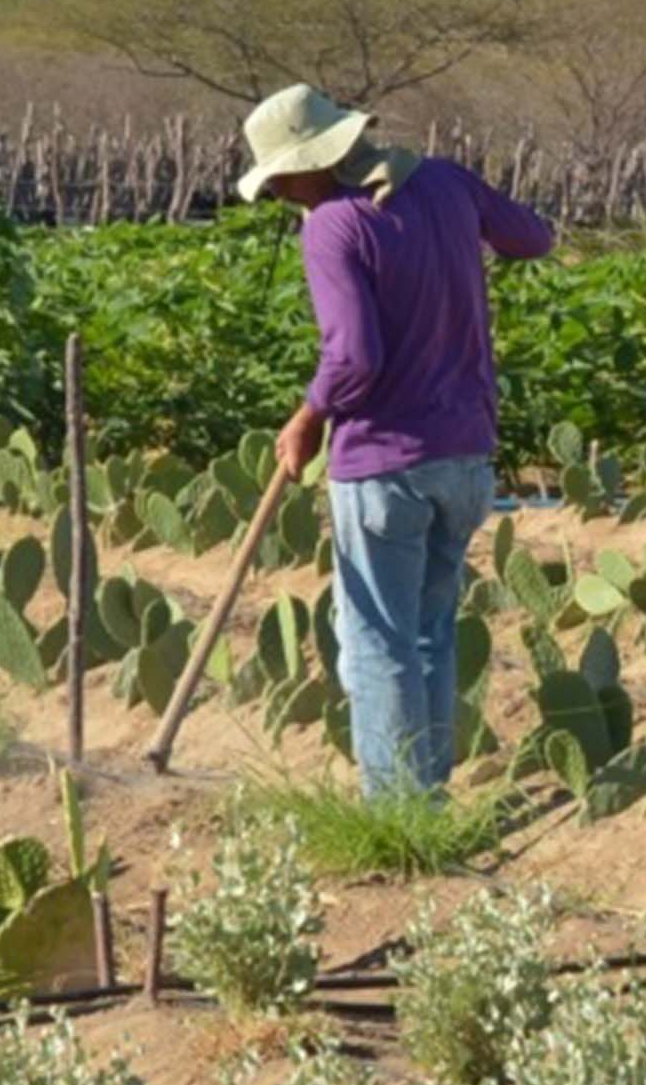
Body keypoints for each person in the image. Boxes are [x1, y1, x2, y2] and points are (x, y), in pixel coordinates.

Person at [238, 82, 558, 798]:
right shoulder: (444, 180)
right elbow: (534, 237)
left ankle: (395, 812)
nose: (284, 193)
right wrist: (453, 216)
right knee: (430, 633)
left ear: (316, 161)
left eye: (284, 177)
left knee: (378, 643)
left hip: (384, 463)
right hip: (467, 457)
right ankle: (428, 797)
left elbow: (354, 357)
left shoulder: (332, 225)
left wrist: (307, 416)